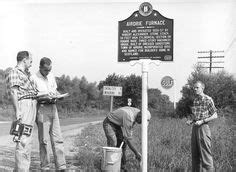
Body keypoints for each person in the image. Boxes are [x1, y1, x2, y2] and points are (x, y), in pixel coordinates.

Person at [5, 51, 38, 171]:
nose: (31, 63)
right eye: (30, 61)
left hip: (31, 104)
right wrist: (17, 110)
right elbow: (13, 92)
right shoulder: (14, 72)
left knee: (26, 139)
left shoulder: (26, 74)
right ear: (24, 60)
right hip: (24, 106)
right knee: (23, 140)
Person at [32, 57, 66, 170]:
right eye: (46, 70)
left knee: (58, 138)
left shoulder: (51, 76)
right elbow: (32, 96)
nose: (48, 72)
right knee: (44, 140)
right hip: (42, 109)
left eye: (50, 69)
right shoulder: (33, 78)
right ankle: (45, 166)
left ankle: (61, 166)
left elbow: (54, 90)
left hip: (53, 108)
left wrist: (58, 95)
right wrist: (43, 97)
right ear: (40, 67)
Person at [103, 106, 151, 171]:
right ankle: (109, 168)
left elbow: (129, 130)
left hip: (118, 124)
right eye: (141, 121)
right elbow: (128, 139)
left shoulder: (137, 112)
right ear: (140, 116)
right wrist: (136, 153)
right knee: (113, 144)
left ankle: (122, 167)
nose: (140, 123)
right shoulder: (129, 117)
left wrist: (126, 136)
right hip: (109, 122)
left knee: (123, 145)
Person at [186, 81, 218, 172]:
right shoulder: (195, 100)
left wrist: (202, 121)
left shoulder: (208, 99)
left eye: (197, 87)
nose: (195, 89)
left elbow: (215, 115)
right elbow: (196, 116)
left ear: (202, 88)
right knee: (195, 155)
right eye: (194, 88)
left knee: (205, 155)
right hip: (195, 128)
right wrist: (191, 121)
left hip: (203, 128)